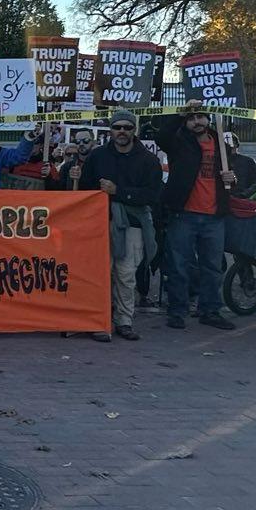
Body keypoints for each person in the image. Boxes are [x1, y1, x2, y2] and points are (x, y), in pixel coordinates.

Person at [150, 106, 236, 331]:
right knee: (179, 266)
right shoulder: (179, 143)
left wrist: (231, 178)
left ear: (208, 119)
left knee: (212, 267)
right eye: (191, 118)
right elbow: (162, 136)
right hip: (184, 215)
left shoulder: (222, 147)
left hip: (214, 216)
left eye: (200, 117)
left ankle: (210, 311)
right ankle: (177, 311)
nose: (197, 122)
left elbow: (230, 177)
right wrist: (179, 114)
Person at [79, 109, 160, 341]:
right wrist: (71, 176)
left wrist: (119, 192)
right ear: (110, 130)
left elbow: (153, 195)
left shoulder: (148, 160)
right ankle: (99, 320)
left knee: (125, 274)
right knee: (101, 273)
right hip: (101, 223)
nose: (122, 131)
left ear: (134, 130)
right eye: (117, 127)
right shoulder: (97, 157)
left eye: (127, 127)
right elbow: (84, 189)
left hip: (133, 224)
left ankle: (124, 320)